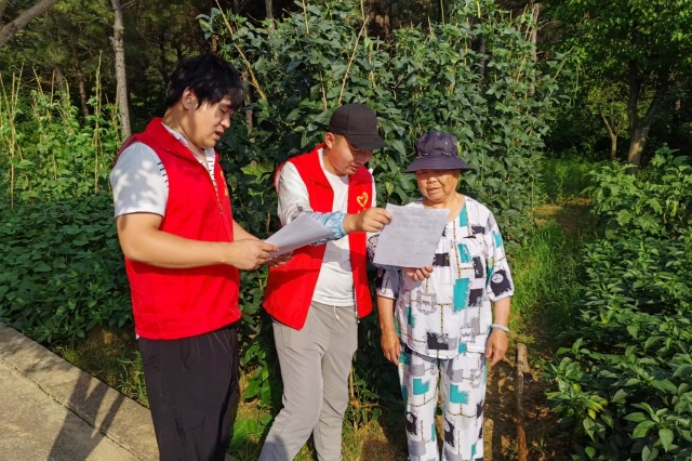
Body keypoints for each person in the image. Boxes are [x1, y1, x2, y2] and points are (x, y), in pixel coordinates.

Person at [110, 54, 278, 461]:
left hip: (218, 319)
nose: (227, 123)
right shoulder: (145, 156)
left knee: (214, 438)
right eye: (222, 110)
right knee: (189, 447)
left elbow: (216, 221)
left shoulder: (204, 156)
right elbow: (137, 240)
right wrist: (229, 253)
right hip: (178, 332)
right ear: (189, 98)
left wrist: (261, 247)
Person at [259, 104, 393, 461]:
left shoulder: (365, 179)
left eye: (369, 151)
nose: (362, 158)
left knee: (334, 403)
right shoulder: (296, 171)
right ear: (330, 139)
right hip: (301, 302)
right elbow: (297, 222)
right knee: (302, 410)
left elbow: (369, 239)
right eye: (356, 148)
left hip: (346, 305)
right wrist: (352, 222)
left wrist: (401, 256)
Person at [374, 131, 514, 461]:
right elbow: (386, 281)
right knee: (417, 418)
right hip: (416, 340)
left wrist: (500, 327)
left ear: (457, 173)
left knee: (465, 420)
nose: (431, 180)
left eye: (439, 171)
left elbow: (499, 276)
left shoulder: (480, 217)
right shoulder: (406, 217)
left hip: (469, 340)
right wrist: (387, 330)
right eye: (423, 172)